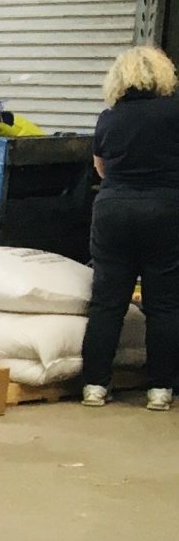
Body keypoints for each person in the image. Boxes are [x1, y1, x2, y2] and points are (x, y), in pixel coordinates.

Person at [80, 44, 179, 410]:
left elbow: (101, 168)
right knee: (164, 304)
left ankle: (94, 385)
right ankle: (159, 389)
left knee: (107, 303)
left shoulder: (109, 118)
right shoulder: (174, 113)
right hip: (165, 210)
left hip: (113, 211)